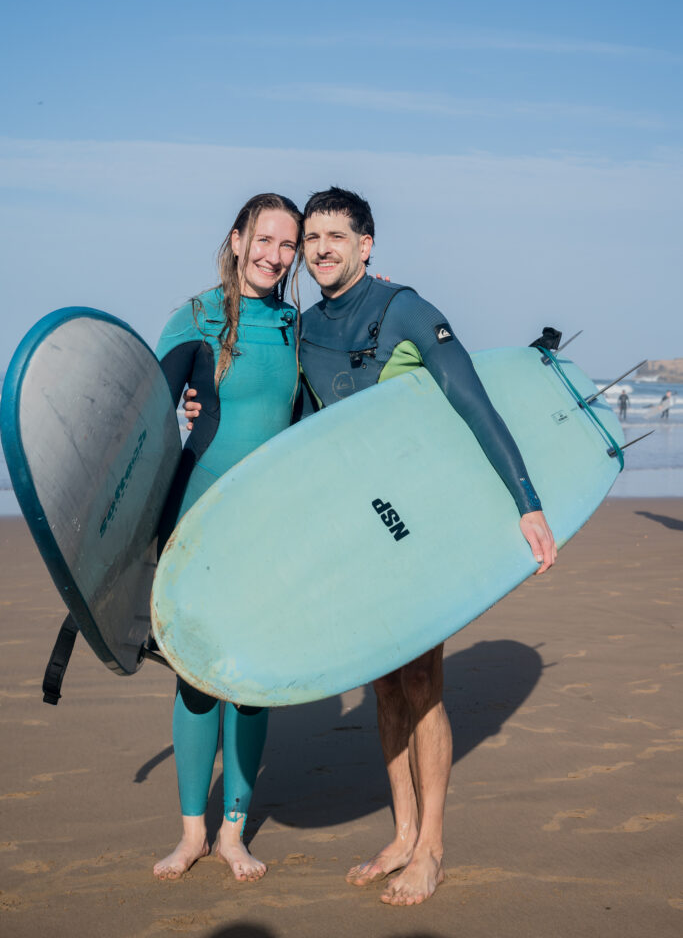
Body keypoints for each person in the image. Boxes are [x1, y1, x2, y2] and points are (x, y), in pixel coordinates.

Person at [184, 187, 557, 906]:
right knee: (384, 681)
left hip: (424, 525)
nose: (319, 248)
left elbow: (474, 401)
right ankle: (401, 832)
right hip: (363, 529)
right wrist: (201, 405)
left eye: (335, 235)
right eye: (311, 236)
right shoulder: (308, 325)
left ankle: (432, 850)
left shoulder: (404, 310)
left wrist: (528, 503)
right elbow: (295, 425)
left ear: (366, 244)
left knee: (422, 684)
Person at [153, 193, 303, 882]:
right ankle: (190, 833)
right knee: (195, 680)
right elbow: (143, 418)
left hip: (269, 526)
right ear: (238, 238)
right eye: (264, 240)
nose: (275, 255)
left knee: (252, 684)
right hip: (198, 515)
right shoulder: (194, 317)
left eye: (288, 245)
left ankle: (233, 834)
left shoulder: (296, 325)